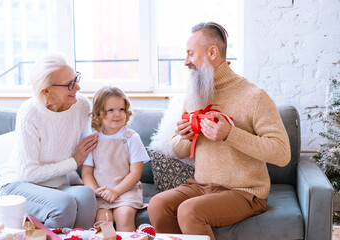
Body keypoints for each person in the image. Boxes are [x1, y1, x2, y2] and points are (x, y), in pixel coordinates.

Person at [148, 22, 291, 240]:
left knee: (189, 211)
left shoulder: (254, 96)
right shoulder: (195, 94)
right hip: (202, 186)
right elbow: (178, 150)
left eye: (190, 54)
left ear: (212, 52)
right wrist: (187, 136)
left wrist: (230, 135)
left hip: (245, 192)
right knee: (157, 204)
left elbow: (282, 153)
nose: (186, 62)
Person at [0, 52, 98, 229]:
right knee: (64, 204)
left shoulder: (81, 105)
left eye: (76, 79)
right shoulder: (30, 112)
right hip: (19, 183)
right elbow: (28, 173)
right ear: (46, 90)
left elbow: (89, 148)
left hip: (58, 184)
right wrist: (74, 162)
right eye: (70, 84)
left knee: (86, 196)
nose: (78, 87)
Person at [82, 86, 149, 231]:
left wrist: (116, 192)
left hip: (125, 192)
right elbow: (87, 173)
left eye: (121, 109)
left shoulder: (132, 137)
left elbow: (135, 173)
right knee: (103, 221)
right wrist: (95, 190)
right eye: (110, 110)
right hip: (102, 195)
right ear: (99, 113)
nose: (117, 114)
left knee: (123, 216)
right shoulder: (93, 139)